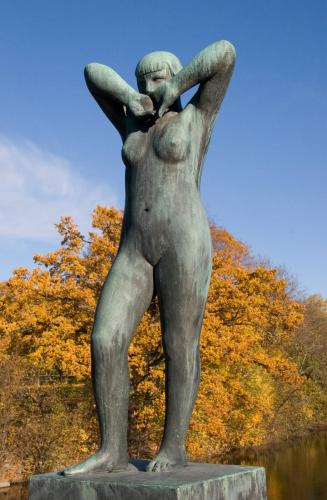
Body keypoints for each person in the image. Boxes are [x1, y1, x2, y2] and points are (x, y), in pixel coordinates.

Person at [63, 40, 235, 475]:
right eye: (144, 78)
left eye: (157, 77)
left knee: (179, 345)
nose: (150, 85)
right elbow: (92, 70)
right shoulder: (131, 126)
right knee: (106, 339)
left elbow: (225, 54)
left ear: (175, 79)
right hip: (134, 248)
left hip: (184, 242)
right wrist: (130, 97)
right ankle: (112, 451)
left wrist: (176, 86)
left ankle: (174, 445)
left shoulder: (197, 117)